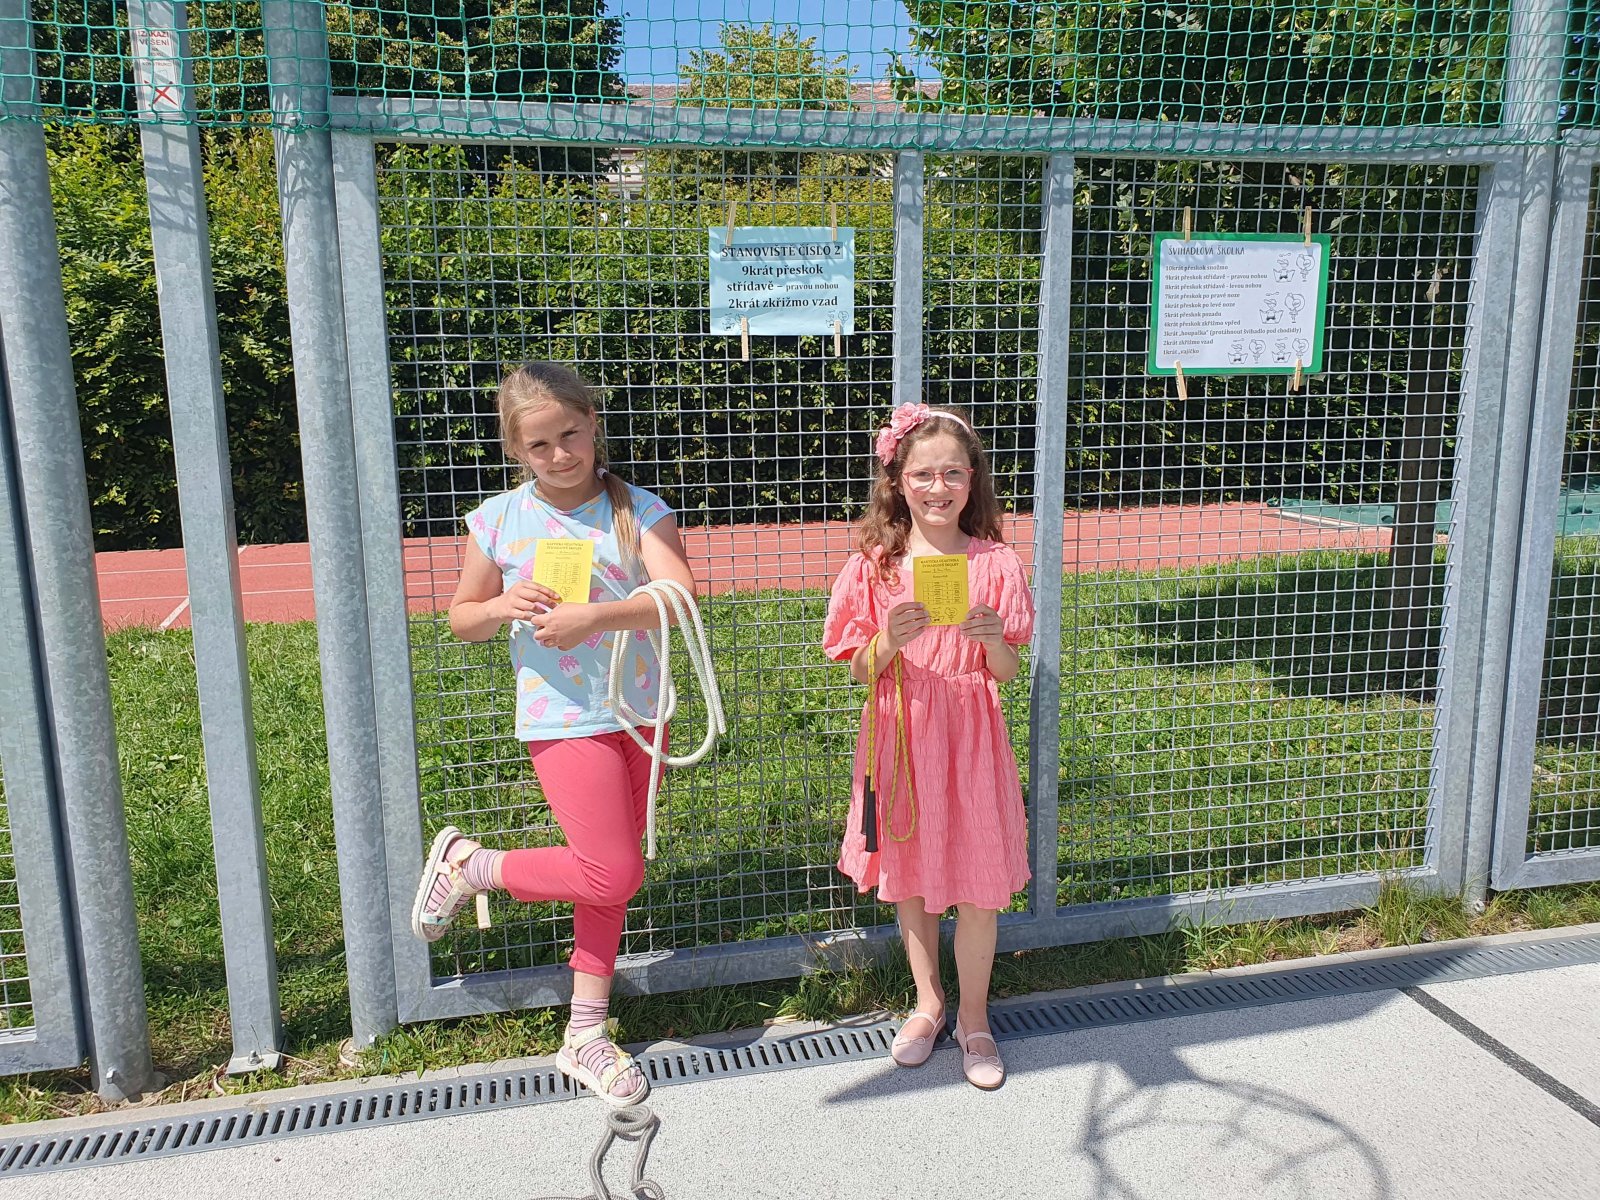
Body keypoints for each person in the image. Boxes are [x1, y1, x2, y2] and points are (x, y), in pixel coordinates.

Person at [409, 361, 695, 1107]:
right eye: (539, 444)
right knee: (611, 871)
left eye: (570, 434)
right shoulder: (499, 520)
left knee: (610, 872)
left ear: (593, 424)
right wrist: (500, 606)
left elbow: (679, 596)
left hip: (640, 711)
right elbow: (463, 618)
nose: (560, 454)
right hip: (562, 716)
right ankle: (472, 866)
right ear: (516, 449)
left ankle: (585, 1032)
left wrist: (596, 615)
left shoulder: (640, 510)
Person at [822, 402, 1035, 1089]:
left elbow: (1007, 671)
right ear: (898, 482)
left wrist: (993, 642)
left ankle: (975, 1018)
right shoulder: (876, 567)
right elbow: (857, 667)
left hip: (971, 738)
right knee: (909, 876)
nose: (938, 488)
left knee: (978, 885)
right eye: (923, 474)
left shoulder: (996, 563)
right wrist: (888, 640)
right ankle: (928, 1003)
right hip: (899, 737)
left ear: (973, 480)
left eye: (952, 473)